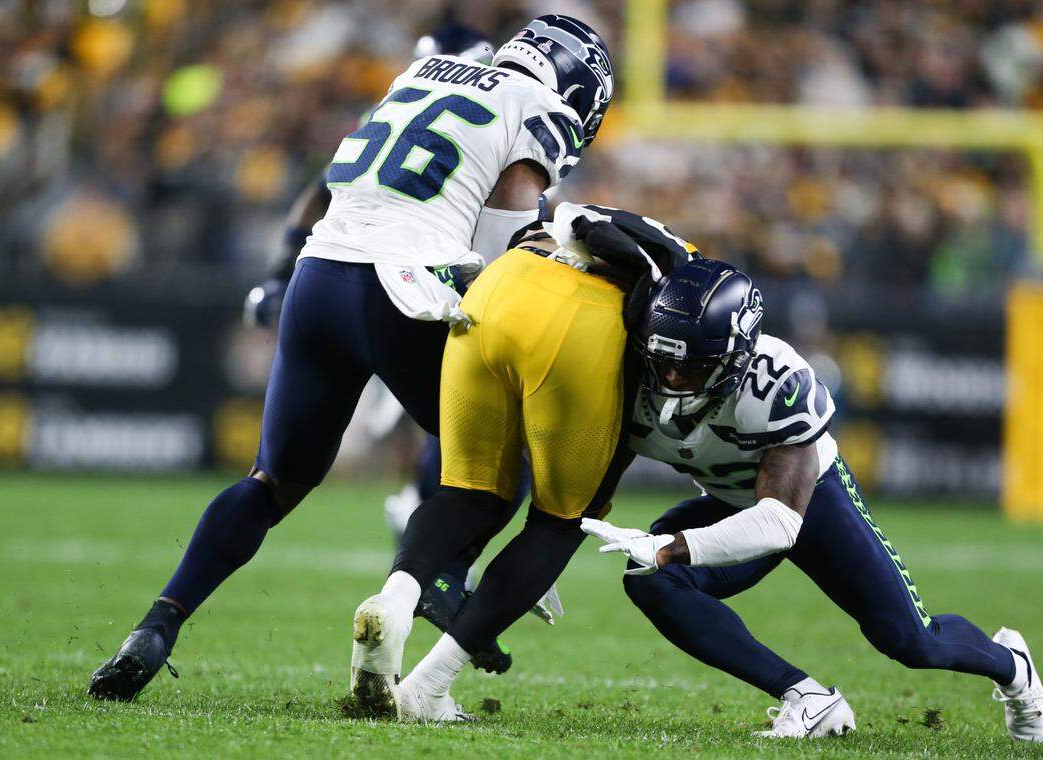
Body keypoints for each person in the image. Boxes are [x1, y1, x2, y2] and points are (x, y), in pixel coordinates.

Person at [88, 13, 612, 702]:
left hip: (320, 275)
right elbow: (501, 248)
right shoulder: (537, 107)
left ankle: (158, 623)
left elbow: (338, 180)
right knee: (499, 463)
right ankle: (429, 585)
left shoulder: (420, 74)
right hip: (406, 287)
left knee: (273, 481)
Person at [580, 258, 1043, 742]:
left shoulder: (777, 382)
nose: (673, 378)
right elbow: (591, 478)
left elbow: (779, 523)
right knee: (650, 579)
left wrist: (669, 547)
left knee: (910, 641)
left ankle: (1012, 666)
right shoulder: (634, 376)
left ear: (734, 357)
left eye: (692, 366)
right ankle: (806, 697)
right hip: (730, 500)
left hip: (810, 504)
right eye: (664, 362)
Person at [244, 21, 537, 677]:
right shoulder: (504, 117)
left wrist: (281, 271)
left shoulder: (407, 102)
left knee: (293, 469)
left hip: (349, 280)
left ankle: (425, 527)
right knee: (488, 432)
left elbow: (319, 193)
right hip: (420, 289)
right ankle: (438, 559)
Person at [348, 202, 698, 722]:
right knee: (561, 522)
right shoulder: (694, 281)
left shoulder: (608, 222)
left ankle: (394, 603)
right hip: (583, 318)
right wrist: (545, 552)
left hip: (496, 289)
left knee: (467, 492)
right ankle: (427, 688)